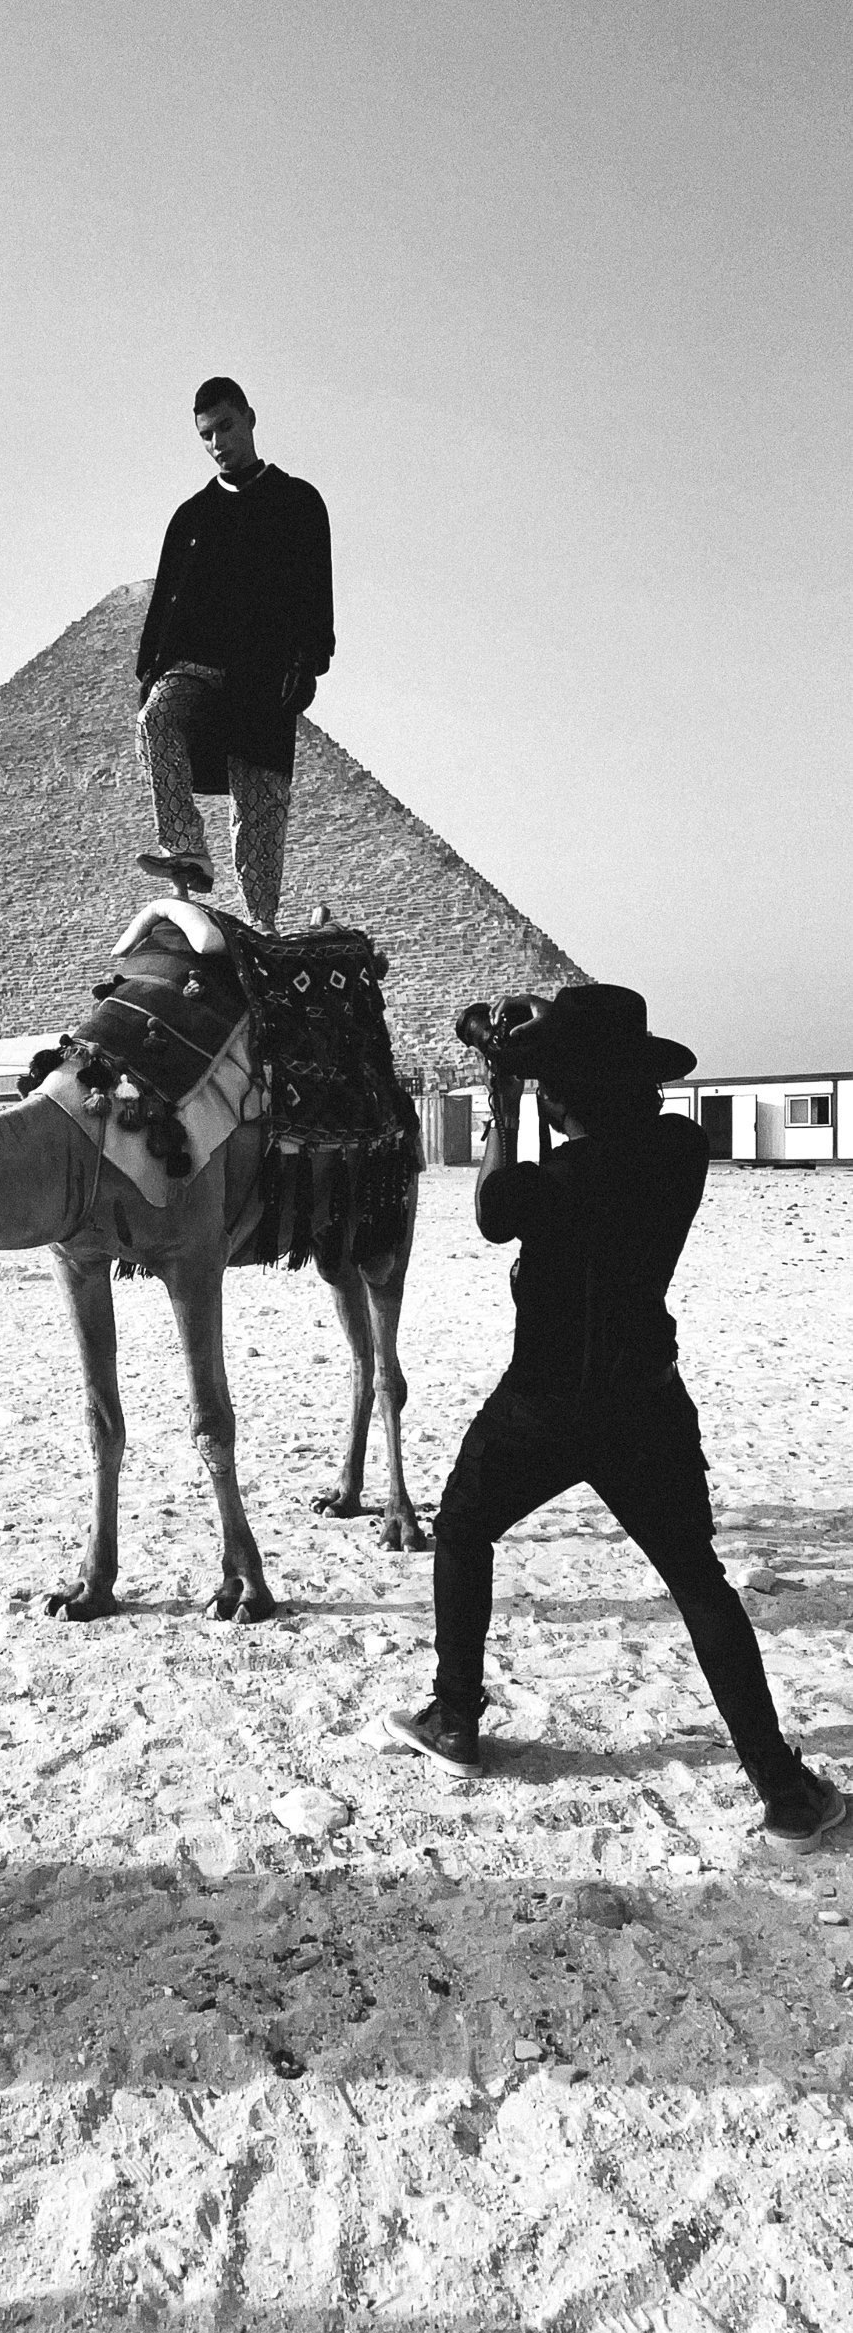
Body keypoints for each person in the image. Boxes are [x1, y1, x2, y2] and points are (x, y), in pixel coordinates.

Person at [386, 984, 844, 1853]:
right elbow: (564, 1168)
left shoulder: (555, 1179)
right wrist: (542, 1075)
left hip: (540, 1404)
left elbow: (492, 1211)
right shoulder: (679, 1149)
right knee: (698, 1583)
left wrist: (504, 1103)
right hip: (645, 1401)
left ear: (565, 1094)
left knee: (463, 1530)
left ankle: (454, 1719)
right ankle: (781, 1787)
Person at [134, 376, 334, 931]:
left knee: (258, 804)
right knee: (156, 719)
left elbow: (316, 589)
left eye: (225, 427)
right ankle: (185, 846)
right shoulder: (191, 517)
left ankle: (262, 924)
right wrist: (149, 672)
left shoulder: (297, 503)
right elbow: (165, 599)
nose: (217, 443)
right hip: (193, 665)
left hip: (263, 673)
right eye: (206, 435)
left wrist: (309, 661)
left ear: (249, 418)